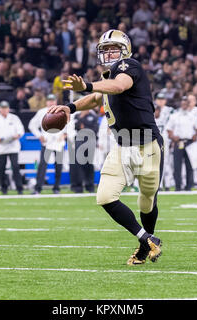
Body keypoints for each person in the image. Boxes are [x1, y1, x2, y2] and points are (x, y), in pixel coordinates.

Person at [48, 30, 163, 265]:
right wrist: (70, 107)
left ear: (125, 50)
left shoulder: (129, 67)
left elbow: (119, 86)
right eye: (106, 49)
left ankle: (145, 247)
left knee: (147, 201)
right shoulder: (107, 77)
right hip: (122, 145)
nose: (109, 53)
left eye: (114, 48)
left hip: (147, 144)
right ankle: (147, 240)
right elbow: (96, 99)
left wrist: (89, 85)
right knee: (105, 196)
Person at [28, 94, 65, 195]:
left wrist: (64, 135)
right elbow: (32, 125)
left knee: (59, 166)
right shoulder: (41, 112)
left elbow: (68, 125)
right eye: (49, 101)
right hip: (47, 142)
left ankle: (56, 188)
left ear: (56, 102)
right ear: (46, 102)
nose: (51, 102)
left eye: (53, 101)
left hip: (58, 142)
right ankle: (38, 188)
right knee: (42, 166)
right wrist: (39, 135)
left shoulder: (62, 111)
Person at [0, 100, 24, 195]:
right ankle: (4, 188)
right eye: (2, 108)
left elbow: (21, 130)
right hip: (1, 147)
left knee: (15, 167)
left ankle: (19, 188)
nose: (4, 110)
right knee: (2, 168)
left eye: (6, 108)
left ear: (8, 109)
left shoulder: (14, 118)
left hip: (13, 146)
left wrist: (17, 135)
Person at [166, 97, 197, 191]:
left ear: (188, 105)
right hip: (178, 142)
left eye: (186, 104)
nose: (184, 105)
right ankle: (178, 186)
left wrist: (196, 135)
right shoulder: (175, 116)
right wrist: (173, 137)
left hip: (189, 142)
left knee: (189, 165)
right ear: (180, 104)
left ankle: (189, 186)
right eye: (183, 104)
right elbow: (168, 129)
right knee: (177, 166)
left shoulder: (192, 116)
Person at [74, 108, 99, 193]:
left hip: (90, 141)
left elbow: (95, 129)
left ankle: (90, 186)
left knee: (89, 164)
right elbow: (75, 127)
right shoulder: (77, 116)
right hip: (79, 142)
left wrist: (84, 128)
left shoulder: (93, 116)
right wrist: (81, 117)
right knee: (79, 165)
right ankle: (78, 187)